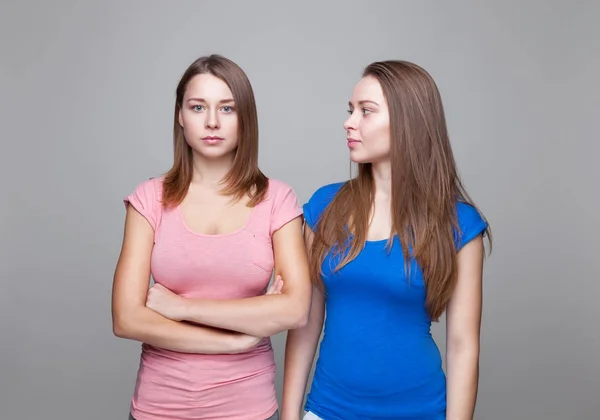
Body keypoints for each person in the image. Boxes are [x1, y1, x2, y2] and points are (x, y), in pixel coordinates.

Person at [281, 60, 492, 420]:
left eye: (366, 111)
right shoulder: (324, 208)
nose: (349, 122)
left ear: (409, 122)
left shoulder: (460, 224)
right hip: (328, 410)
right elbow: (304, 327)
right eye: (350, 111)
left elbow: (462, 347)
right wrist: (290, 415)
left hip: (421, 411)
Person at [111, 54, 311, 420]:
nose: (213, 122)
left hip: (249, 409)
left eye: (227, 108)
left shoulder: (278, 200)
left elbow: (295, 309)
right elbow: (126, 318)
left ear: (245, 118)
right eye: (198, 107)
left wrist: (183, 307)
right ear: (180, 116)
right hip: (158, 408)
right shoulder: (148, 199)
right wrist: (234, 340)